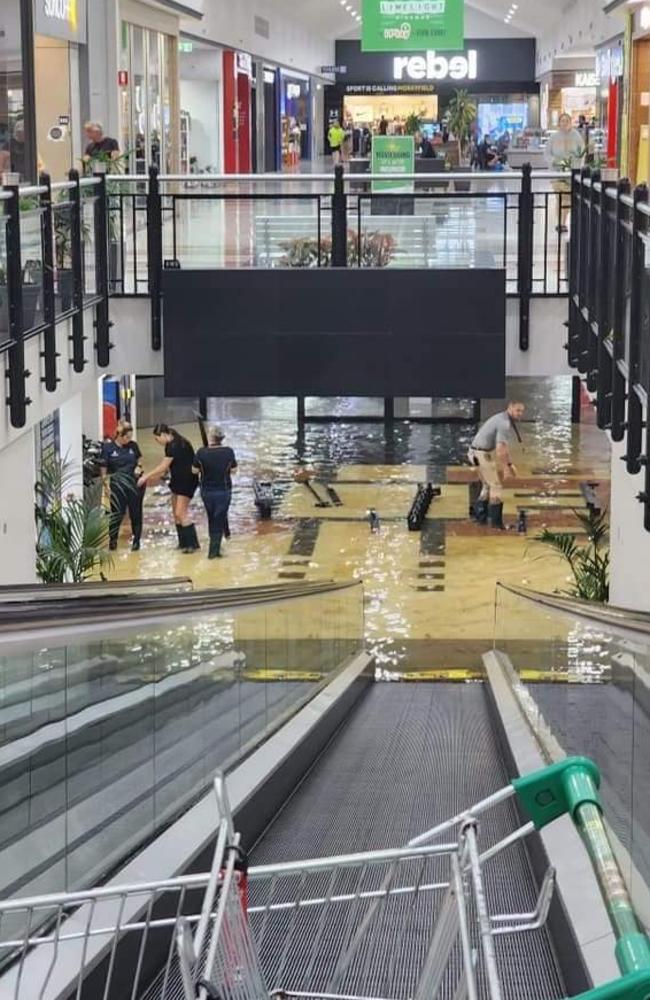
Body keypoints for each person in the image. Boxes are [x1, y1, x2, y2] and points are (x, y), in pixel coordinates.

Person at [138, 423, 199, 553]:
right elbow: (170, 465)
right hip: (177, 480)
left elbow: (163, 466)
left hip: (186, 481)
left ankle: (193, 544)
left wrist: (146, 477)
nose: (157, 441)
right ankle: (183, 543)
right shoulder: (171, 443)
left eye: (157, 438)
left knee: (180, 513)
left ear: (164, 435)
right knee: (175, 514)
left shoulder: (176, 445)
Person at [468, 401, 525, 529]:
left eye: (522, 411)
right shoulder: (504, 423)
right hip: (481, 454)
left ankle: (480, 517)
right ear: (510, 407)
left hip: (474, 452)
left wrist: (510, 464)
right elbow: (500, 450)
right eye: (517, 410)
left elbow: (504, 449)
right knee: (496, 486)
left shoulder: (501, 417)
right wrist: (506, 468)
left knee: (487, 485)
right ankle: (496, 524)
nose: (520, 414)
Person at [193, 426, 238, 559]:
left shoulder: (201, 452)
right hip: (224, 490)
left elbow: (194, 471)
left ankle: (215, 545)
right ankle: (214, 551)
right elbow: (234, 470)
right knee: (219, 517)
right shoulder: (228, 452)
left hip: (207, 491)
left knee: (212, 517)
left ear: (211, 437)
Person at [100, 420, 145, 551]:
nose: (129, 439)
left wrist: (139, 466)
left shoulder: (133, 446)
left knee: (136, 513)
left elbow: (140, 458)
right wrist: (105, 486)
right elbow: (103, 468)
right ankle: (113, 541)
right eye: (127, 437)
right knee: (116, 514)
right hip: (117, 487)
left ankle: (136, 541)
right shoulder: (108, 448)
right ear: (119, 435)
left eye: (130, 437)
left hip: (134, 485)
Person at [546, 113, 584, 232]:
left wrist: (575, 166)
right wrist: (554, 162)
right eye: (562, 121)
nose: (564, 123)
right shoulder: (554, 137)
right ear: (559, 123)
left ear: (570, 122)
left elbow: (581, 153)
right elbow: (547, 153)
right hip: (557, 174)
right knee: (559, 197)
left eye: (566, 121)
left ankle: (562, 222)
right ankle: (560, 222)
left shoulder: (576, 136)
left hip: (570, 174)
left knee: (567, 198)